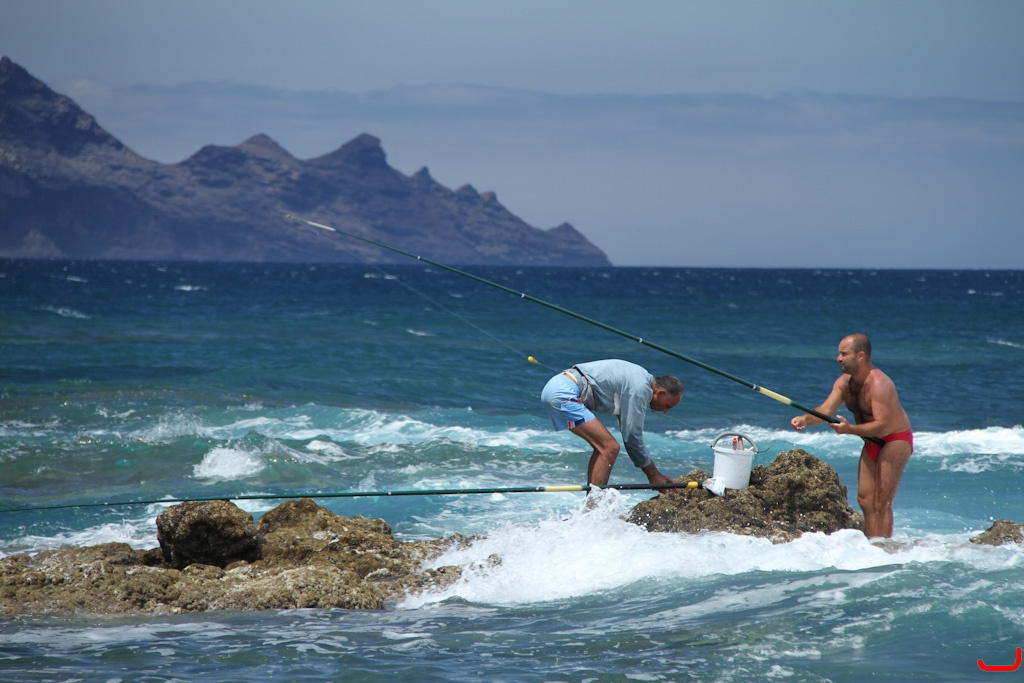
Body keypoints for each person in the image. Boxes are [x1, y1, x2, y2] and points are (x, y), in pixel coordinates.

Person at [790, 334, 912, 538]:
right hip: (872, 441)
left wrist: (849, 429)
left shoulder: (879, 383)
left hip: (895, 439)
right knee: (865, 499)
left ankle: (883, 547)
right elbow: (825, 410)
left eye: (844, 354)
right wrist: (805, 419)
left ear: (860, 356)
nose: (838, 358)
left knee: (882, 502)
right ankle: (872, 544)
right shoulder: (844, 383)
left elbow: (883, 427)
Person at [541, 359, 682, 488]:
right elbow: (632, 436)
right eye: (667, 406)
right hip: (564, 393)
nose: (665, 411)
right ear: (660, 393)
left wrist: (652, 473)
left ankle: (592, 503)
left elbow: (627, 430)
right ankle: (593, 505)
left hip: (558, 386)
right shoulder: (640, 389)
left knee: (604, 447)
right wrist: (653, 475)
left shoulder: (639, 378)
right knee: (609, 447)